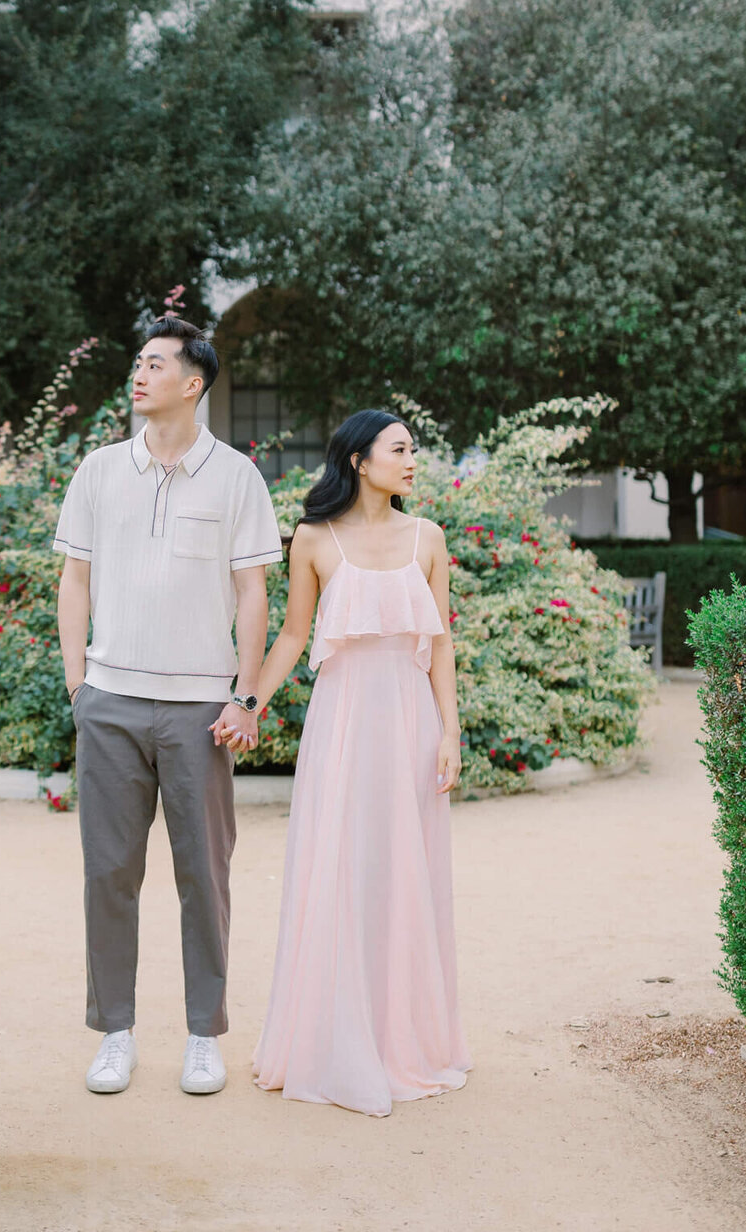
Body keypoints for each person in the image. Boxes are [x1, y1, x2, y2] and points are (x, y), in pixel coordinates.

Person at [54, 316, 282, 1096]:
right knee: (109, 872)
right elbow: (74, 580)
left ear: (194, 383)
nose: (138, 376)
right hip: (110, 702)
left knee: (203, 877)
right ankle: (114, 1032)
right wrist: (79, 684)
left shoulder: (236, 478)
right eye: (136, 362)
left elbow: (254, 593)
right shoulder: (97, 472)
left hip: (200, 711)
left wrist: (246, 697)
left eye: (154, 364)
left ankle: (202, 1036)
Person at [236, 409, 471, 1117]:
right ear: (360, 460)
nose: (412, 459)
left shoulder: (428, 539)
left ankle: (405, 1040)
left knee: (403, 872)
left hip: (409, 721)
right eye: (400, 448)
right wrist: (248, 702)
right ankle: (331, 1041)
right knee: (338, 869)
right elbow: (294, 634)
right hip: (340, 727)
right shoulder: (313, 538)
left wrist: (451, 730)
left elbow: (444, 643)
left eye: (414, 449)